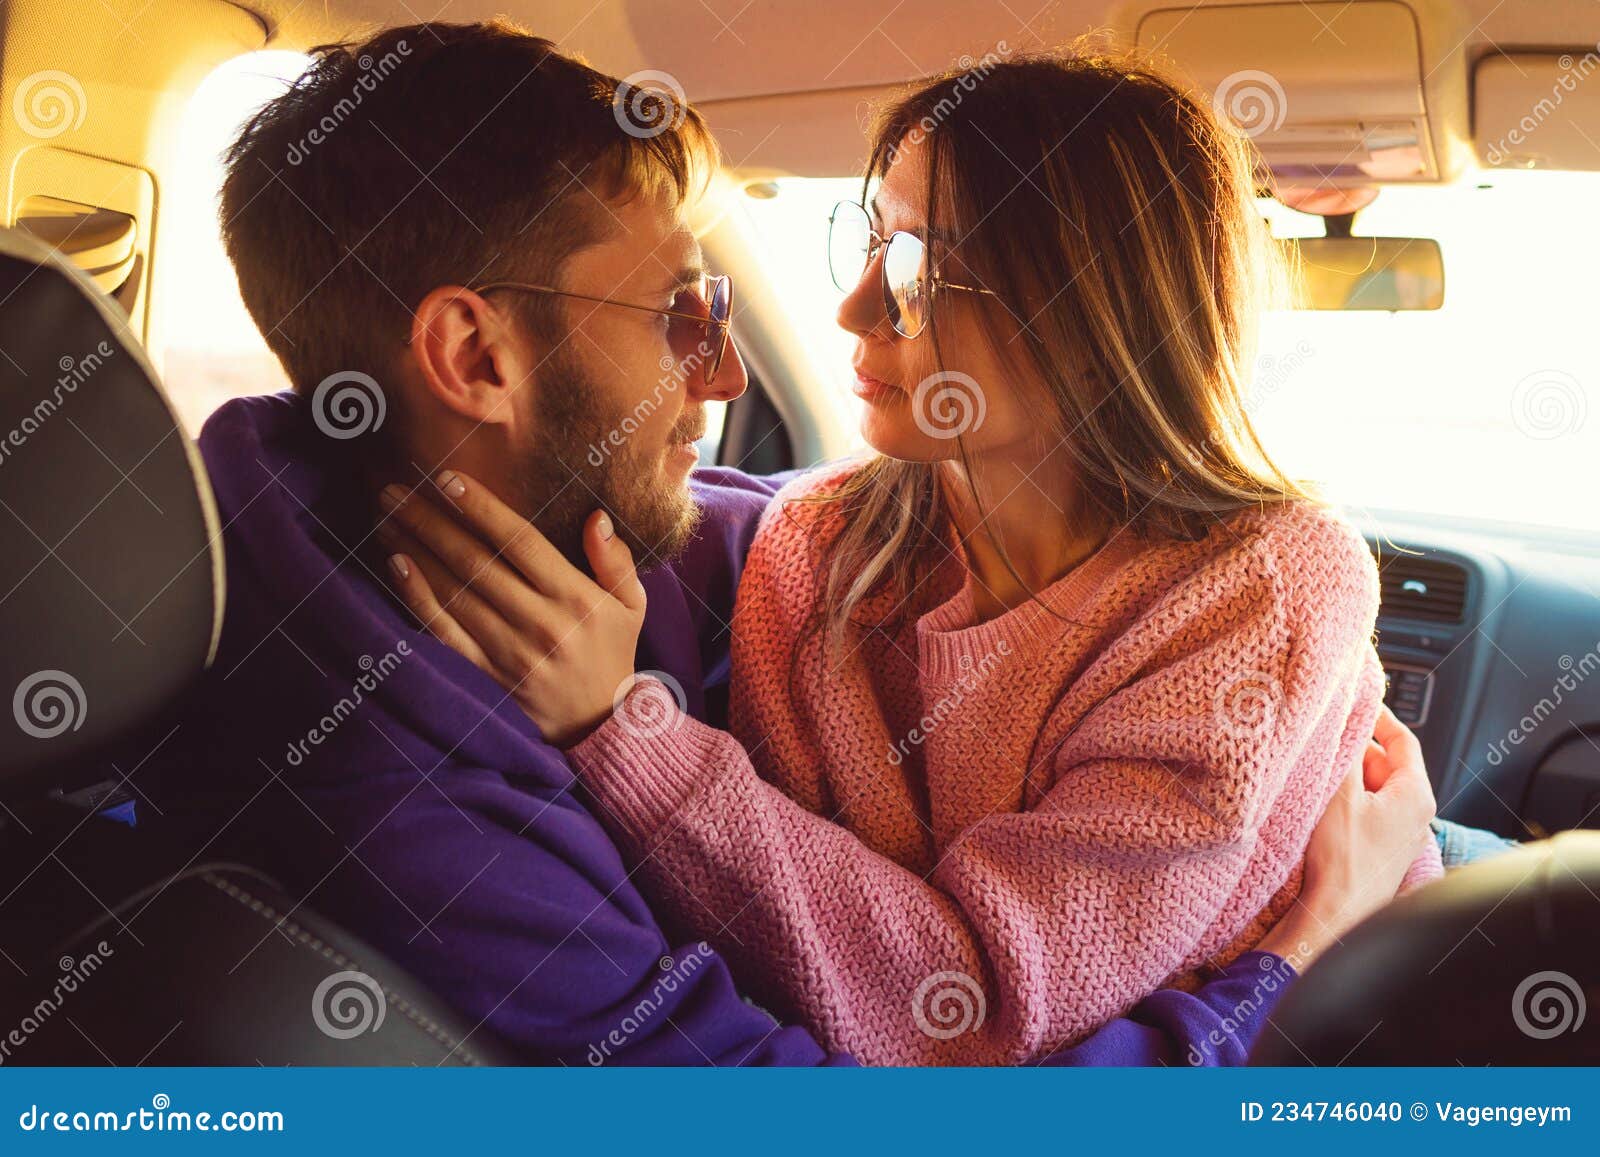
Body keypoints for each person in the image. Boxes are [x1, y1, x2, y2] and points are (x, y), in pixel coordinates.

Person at [138, 21, 1436, 1066]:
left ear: (1094, 320)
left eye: (917, 269)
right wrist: (1290, 965)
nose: (763, 349)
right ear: (475, 358)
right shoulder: (404, 780)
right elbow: (949, 1029)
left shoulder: (580, 527)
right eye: (675, 312)